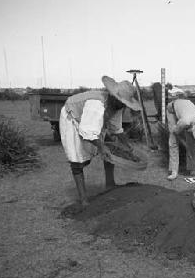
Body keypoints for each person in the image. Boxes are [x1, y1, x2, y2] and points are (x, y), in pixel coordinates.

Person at [59, 76, 141, 207]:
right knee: (77, 160)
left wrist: (128, 146)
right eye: (122, 102)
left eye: (125, 103)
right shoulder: (96, 104)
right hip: (72, 117)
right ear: (114, 97)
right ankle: (83, 199)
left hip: (89, 122)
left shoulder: (117, 106)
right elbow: (87, 132)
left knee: (110, 148)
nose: (123, 105)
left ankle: (110, 184)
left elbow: (117, 128)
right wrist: (102, 147)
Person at [165, 98, 195, 180]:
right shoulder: (185, 122)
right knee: (173, 141)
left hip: (187, 109)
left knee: (192, 143)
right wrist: (184, 143)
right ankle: (174, 171)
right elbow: (176, 133)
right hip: (172, 109)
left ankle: (193, 170)